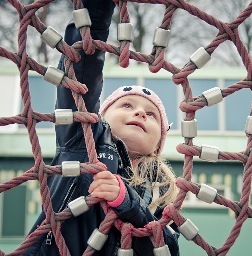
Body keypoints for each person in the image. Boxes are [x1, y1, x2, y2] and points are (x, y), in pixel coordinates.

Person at [24, 0, 180, 255]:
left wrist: (128, 202)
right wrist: (94, 14)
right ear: (101, 117)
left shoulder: (161, 191)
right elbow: (82, 74)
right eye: (127, 106)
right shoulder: (83, 140)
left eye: (151, 114)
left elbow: (169, 247)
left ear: (158, 143)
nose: (140, 112)